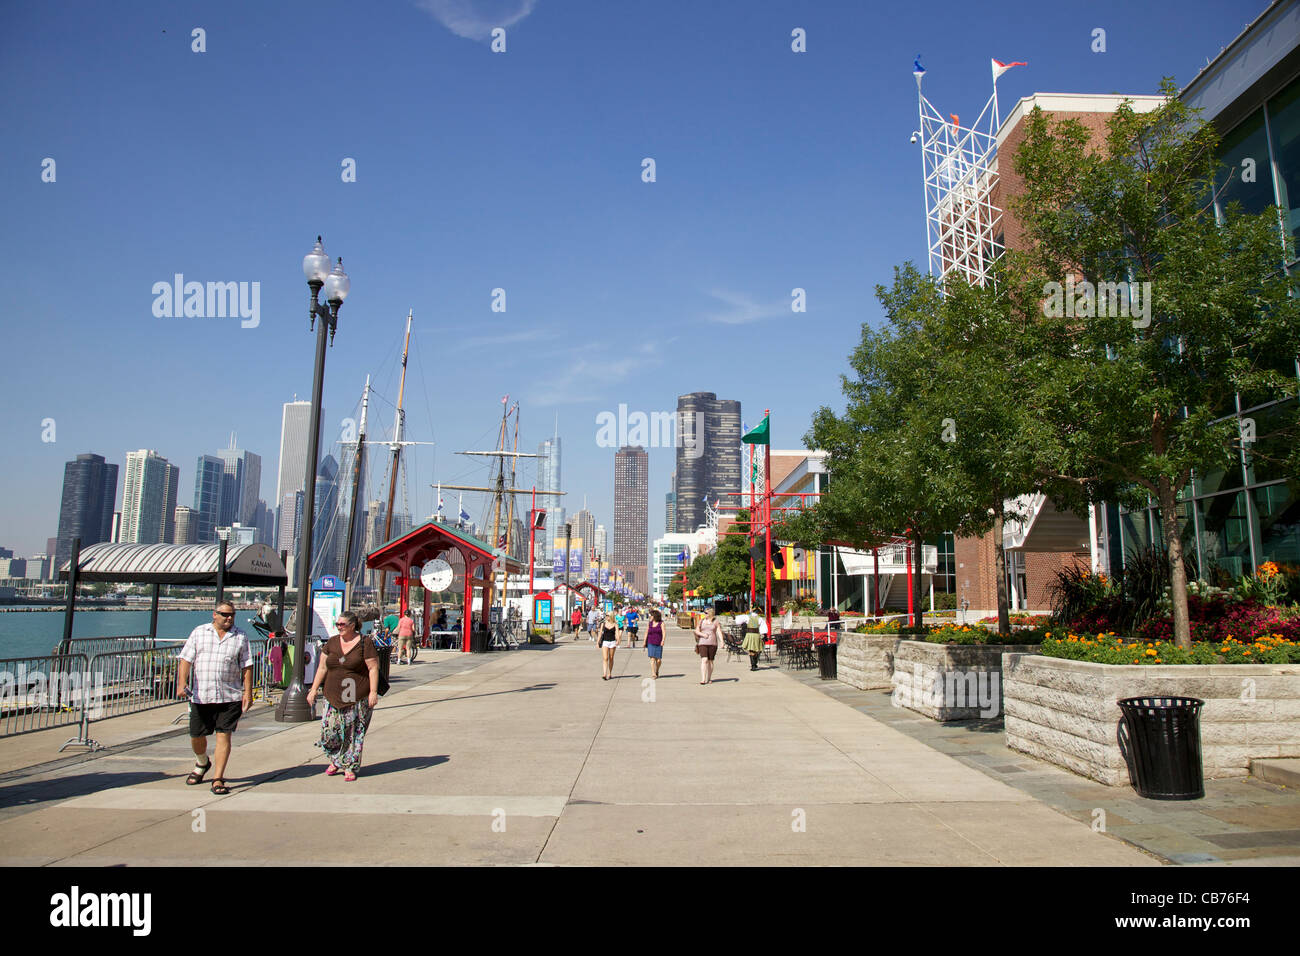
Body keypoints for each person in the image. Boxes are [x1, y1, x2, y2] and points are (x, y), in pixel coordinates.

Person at [177, 601, 252, 796]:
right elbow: (186, 659)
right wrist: (181, 684)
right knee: (196, 736)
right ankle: (202, 762)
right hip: (202, 695)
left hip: (229, 695)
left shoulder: (240, 636)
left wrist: (248, 692)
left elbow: (247, 665)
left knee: (223, 735)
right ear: (214, 614)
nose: (229, 618)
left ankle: (218, 778)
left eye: (232, 615)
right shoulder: (199, 632)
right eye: (225, 614)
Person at [307, 610, 379, 782]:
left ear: (352, 625)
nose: (339, 627)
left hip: (355, 694)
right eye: (337, 624)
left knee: (352, 733)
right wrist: (313, 689)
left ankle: (349, 765)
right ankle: (335, 759)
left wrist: (373, 692)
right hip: (332, 694)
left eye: (342, 624)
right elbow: (322, 668)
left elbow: (373, 668)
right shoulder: (332, 642)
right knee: (330, 731)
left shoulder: (364, 643)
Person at [693, 607, 722, 685]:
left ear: (710, 613)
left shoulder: (716, 622)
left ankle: (709, 678)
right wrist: (703, 634)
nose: (704, 614)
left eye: (705, 613)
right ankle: (703, 679)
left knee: (710, 661)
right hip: (702, 643)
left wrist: (722, 642)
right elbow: (696, 630)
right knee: (704, 660)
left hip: (713, 643)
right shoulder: (701, 621)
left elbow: (719, 632)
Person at [645, 609, 665, 679]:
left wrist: (663, 640)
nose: (650, 616)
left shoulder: (661, 623)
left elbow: (664, 633)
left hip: (659, 642)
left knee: (658, 660)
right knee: (652, 658)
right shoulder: (650, 623)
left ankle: (657, 670)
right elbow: (646, 632)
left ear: (655, 616)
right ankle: (653, 673)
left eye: (651, 615)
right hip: (650, 642)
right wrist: (644, 642)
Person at [599, 611, 619, 679]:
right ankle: (604, 674)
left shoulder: (615, 624)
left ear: (611, 616)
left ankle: (609, 673)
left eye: (608, 615)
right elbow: (600, 633)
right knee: (605, 658)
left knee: (611, 658)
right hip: (605, 642)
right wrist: (598, 641)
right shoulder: (603, 624)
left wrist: (618, 640)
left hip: (612, 642)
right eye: (606, 615)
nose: (606, 617)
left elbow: (617, 633)